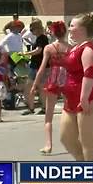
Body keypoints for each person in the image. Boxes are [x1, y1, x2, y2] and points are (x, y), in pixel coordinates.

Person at [60, 12, 93, 161]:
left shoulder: (88, 48)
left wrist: (84, 98)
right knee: (66, 138)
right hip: (71, 99)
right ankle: (83, 167)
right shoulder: (74, 47)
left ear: (82, 29)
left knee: (88, 143)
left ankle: (92, 178)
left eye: (72, 25)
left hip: (89, 98)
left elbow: (90, 73)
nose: (69, 28)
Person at [30, 21, 70, 155]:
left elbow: (41, 69)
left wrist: (35, 84)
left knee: (48, 116)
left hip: (53, 79)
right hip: (67, 80)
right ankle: (75, 140)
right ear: (65, 32)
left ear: (52, 32)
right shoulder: (70, 48)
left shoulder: (49, 48)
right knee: (71, 112)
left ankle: (48, 145)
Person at [21, 20, 49, 115]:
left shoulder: (42, 38)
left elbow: (39, 50)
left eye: (32, 29)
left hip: (39, 66)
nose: (31, 31)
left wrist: (26, 53)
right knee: (32, 86)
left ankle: (41, 107)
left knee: (38, 87)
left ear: (37, 29)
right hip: (36, 65)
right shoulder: (39, 38)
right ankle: (33, 107)